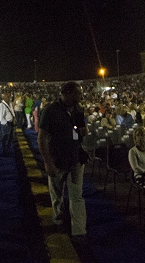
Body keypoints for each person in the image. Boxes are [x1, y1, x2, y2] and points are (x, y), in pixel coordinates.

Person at [37, 81, 87, 237]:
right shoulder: (50, 110)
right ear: (67, 93)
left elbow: (78, 132)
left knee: (77, 196)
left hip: (76, 159)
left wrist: (81, 131)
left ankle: (79, 231)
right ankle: (58, 220)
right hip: (57, 160)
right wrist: (47, 162)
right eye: (78, 93)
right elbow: (41, 138)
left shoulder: (78, 109)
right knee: (57, 195)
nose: (81, 96)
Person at [0, 91, 15, 156]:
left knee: (10, 138)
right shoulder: (1, 105)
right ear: (3, 97)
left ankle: (8, 150)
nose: (9, 98)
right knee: (6, 138)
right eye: (7, 97)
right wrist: (5, 123)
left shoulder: (9, 104)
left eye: (9, 97)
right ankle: (5, 152)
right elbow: (1, 117)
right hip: (6, 124)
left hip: (11, 123)